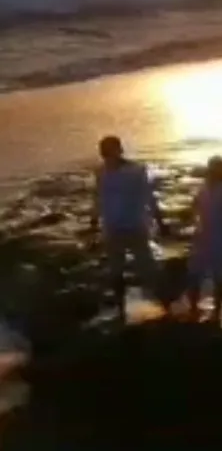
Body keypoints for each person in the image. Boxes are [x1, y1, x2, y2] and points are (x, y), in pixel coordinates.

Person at [91, 135, 170, 321]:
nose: (107, 157)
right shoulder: (101, 173)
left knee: (148, 269)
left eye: (110, 151)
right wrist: (93, 222)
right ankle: (121, 311)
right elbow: (98, 198)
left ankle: (165, 306)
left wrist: (160, 221)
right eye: (104, 153)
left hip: (136, 226)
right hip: (112, 228)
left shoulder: (136, 171)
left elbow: (150, 196)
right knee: (116, 272)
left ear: (119, 150)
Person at [187, 156, 222, 324]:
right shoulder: (206, 187)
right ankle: (194, 309)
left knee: (218, 277)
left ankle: (216, 312)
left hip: (221, 238)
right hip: (203, 235)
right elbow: (195, 205)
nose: (210, 172)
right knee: (194, 275)